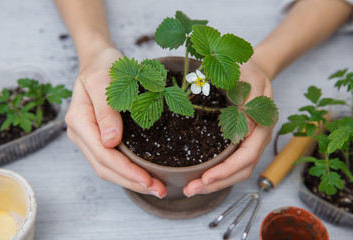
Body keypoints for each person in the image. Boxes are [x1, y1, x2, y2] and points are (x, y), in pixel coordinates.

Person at [54, 0, 353, 199]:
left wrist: (263, 63)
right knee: (160, 99)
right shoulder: (177, 83)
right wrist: (93, 49)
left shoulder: (200, 82)